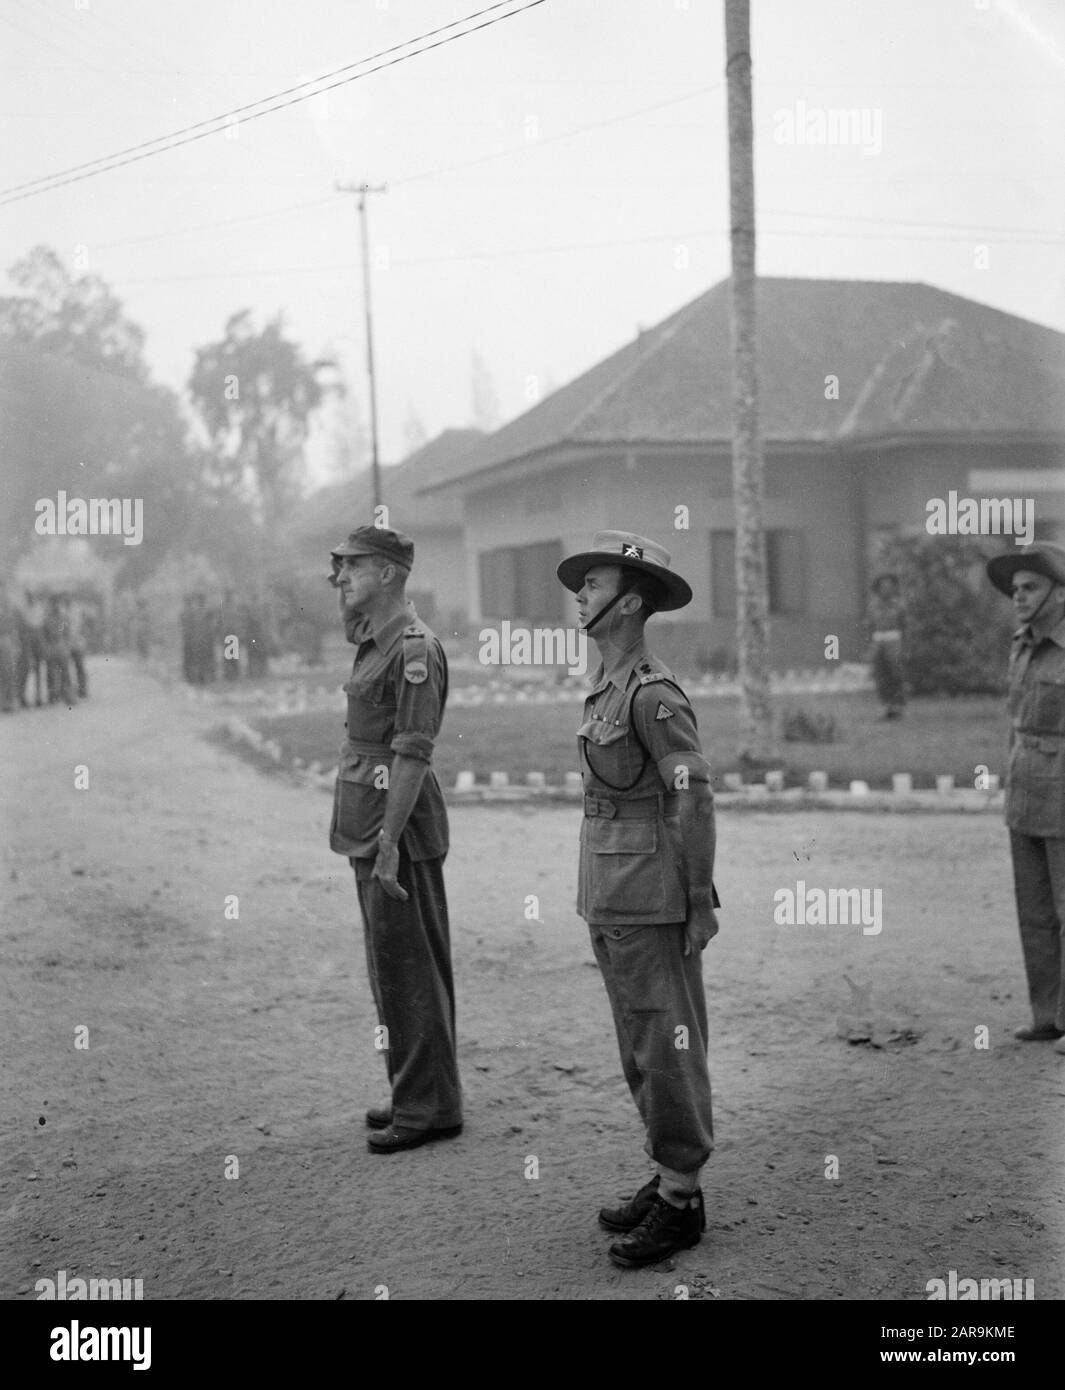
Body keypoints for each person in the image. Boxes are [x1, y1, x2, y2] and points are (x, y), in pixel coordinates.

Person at [556, 530, 720, 1268]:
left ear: (627, 603)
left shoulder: (652, 696)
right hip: (612, 890)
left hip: (652, 894)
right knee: (638, 1044)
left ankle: (682, 1201)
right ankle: (667, 1174)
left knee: (666, 1043)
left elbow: (694, 798)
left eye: (591, 586)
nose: (579, 597)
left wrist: (698, 898)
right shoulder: (606, 686)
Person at [326, 525, 462, 1152]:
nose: (340, 577)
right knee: (392, 965)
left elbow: (411, 753)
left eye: (352, 567)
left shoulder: (413, 649)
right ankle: (416, 1091)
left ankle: (429, 1106)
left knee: (412, 968)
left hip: (396, 829)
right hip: (373, 821)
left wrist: (388, 845)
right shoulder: (375, 640)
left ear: (388, 573)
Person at [986, 541, 1065, 1053]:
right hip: (1026, 787)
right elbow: (1017, 723)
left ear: (1059, 592)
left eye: (1031, 587)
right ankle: (1048, 1015)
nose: (1018, 597)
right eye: (1015, 589)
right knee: (1034, 909)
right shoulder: (1021, 643)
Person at [866, 572, 907, 720]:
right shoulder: (873, 606)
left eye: (889, 586)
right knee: (880, 674)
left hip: (894, 639)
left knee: (895, 673)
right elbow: (870, 627)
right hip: (878, 640)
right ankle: (886, 706)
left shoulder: (899, 606)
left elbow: (904, 626)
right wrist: (872, 645)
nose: (886, 589)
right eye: (883, 586)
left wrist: (902, 644)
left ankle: (898, 707)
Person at [41, 594, 73, 704]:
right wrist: (45, 647)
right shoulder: (46, 618)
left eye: (57, 603)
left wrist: (67, 646)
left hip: (61, 645)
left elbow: (67, 633)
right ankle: (52, 696)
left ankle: (68, 695)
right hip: (50, 646)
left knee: (65, 672)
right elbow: (43, 634)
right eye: (53, 603)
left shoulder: (63, 617)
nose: (55, 605)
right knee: (50, 672)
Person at [16, 590, 46, 708]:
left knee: (38, 669)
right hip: (27, 638)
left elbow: (41, 624)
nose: (31, 598)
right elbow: (22, 625)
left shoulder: (39, 608)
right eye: (29, 596)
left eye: (33, 596)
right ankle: (22, 697)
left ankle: (38, 697)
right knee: (25, 669)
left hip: (38, 638)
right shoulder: (23, 609)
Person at [63, 594, 88, 699]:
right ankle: (68, 692)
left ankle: (82, 689)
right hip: (67, 643)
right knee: (66, 668)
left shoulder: (77, 610)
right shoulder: (63, 611)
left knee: (79, 667)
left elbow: (81, 626)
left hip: (77, 643)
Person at [0, 583, 19, 713]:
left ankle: (9, 701)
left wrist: (16, 642)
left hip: (5, 638)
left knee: (8, 671)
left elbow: (12, 624)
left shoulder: (7, 604)